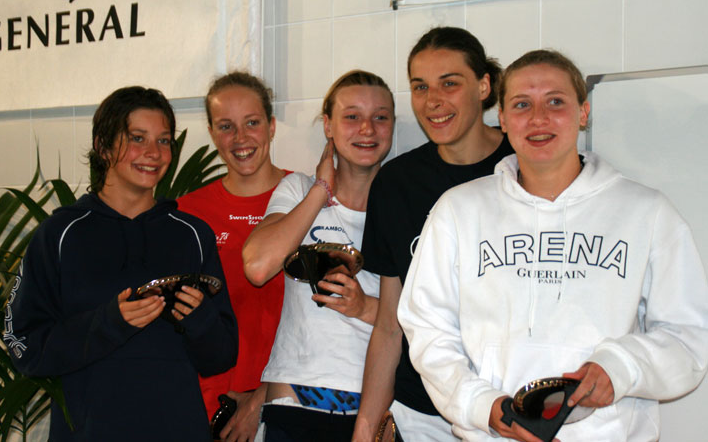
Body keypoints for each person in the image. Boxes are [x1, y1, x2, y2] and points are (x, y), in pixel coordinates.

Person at [397, 49, 708, 441]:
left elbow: (688, 337)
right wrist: (484, 406)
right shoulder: (458, 210)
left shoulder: (647, 212)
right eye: (522, 104)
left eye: (555, 102)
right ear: (503, 119)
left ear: (583, 113)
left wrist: (620, 368)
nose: (538, 118)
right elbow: (427, 328)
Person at [3, 86, 238, 441]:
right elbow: (24, 345)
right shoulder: (60, 233)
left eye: (163, 140)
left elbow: (221, 357)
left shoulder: (193, 234)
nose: (153, 153)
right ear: (103, 146)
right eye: (137, 138)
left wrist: (200, 319)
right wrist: (108, 323)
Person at [352, 27, 514, 441]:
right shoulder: (396, 183)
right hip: (421, 414)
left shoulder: (525, 168)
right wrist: (365, 429)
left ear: (483, 86)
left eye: (449, 83)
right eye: (420, 86)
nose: (432, 101)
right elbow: (391, 324)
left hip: (509, 409)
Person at [242, 70, 395, 441]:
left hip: (373, 407)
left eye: (380, 117)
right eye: (352, 116)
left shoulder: (403, 206)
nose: (367, 129)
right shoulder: (298, 189)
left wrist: (364, 307)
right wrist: (321, 190)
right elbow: (258, 267)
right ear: (328, 125)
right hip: (294, 397)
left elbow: (420, 318)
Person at [178, 72, 288, 441]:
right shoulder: (187, 214)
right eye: (226, 126)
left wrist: (263, 395)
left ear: (272, 126)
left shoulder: (308, 199)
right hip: (209, 407)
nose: (240, 138)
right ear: (212, 133)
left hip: (287, 401)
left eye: (252, 123)